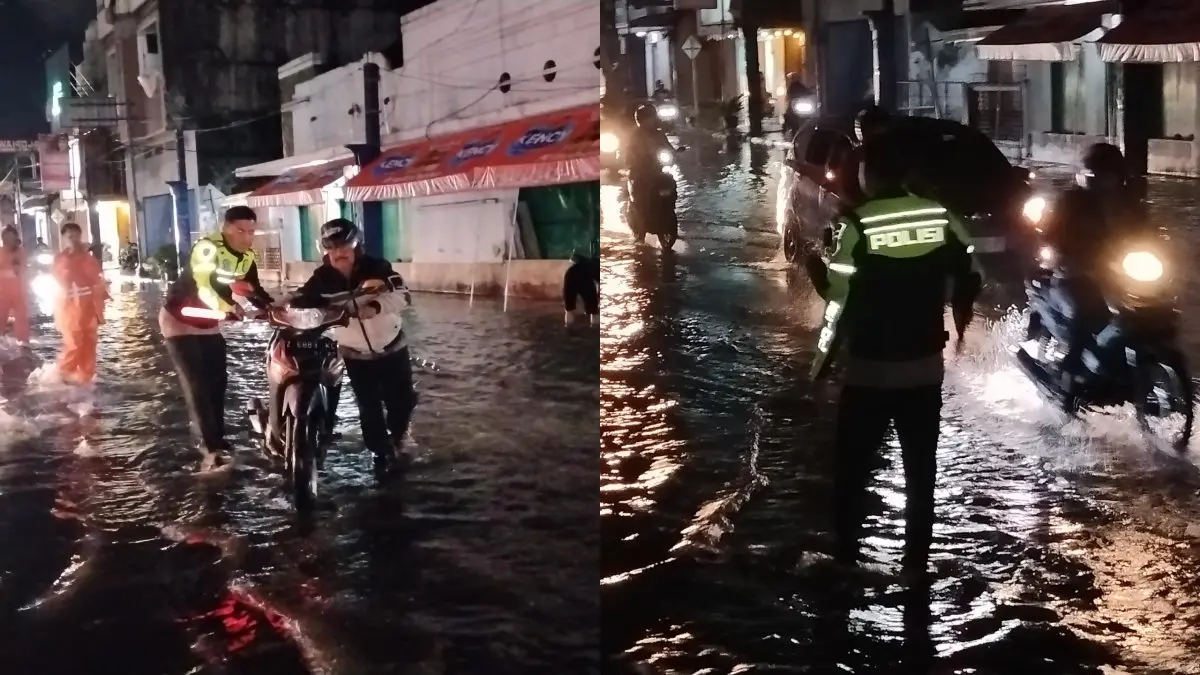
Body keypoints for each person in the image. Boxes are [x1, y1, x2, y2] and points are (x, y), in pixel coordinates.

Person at [803, 144, 982, 577]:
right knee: (921, 472)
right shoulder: (940, 216)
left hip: (870, 371)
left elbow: (838, 301)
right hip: (924, 369)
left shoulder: (855, 224)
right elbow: (971, 273)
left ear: (867, 177)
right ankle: (915, 563)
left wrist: (820, 364)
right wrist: (957, 318)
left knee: (852, 471)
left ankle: (846, 559)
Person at [290, 218, 416, 473]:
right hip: (354, 354)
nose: (339, 253)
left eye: (344, 246)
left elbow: (403, 296)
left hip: (392, 346)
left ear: (356, 244)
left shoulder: (378, 267)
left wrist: (375, 306)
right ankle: (381, 455)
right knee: (368, 408)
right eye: (332, 248)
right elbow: (301, 301)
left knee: (401, 402)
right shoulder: (320, 280)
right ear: (324, 250)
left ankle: (401, 435)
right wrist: (280, 307)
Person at [160, 205, 273, 466]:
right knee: (197, 383)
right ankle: (211, 449)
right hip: (179, 319)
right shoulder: (207, 248)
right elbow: (204, 288)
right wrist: (229, 307)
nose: (246, 237)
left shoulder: (246, 258)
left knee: (218, 382)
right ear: (226, 228)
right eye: (240, 231)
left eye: (251, 232)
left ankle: (217, 440)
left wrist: (273, 309)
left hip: (208, 322)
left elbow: (254, 290)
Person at [1044, 142, 1146, 408]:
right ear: (1087, 176)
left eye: (1111, 176)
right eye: (1100, 176)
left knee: (1147, 309)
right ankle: (1068, 384)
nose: (1106, 183)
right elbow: (1053, 236)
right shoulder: (1069, 202)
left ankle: (1127, 370)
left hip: (1115, 271)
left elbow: (1146, 233)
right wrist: (1071, 257)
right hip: (1075, 273)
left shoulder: (1129, 203)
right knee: (1085, 314)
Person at [52, 222, 109, 384]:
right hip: (69, 308)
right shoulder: (60, 259)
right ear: (63, 238)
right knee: (74, 342)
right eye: (69, 236)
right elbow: (58, 280)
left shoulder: (88, 258)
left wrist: (100, 302)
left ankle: (86, 377)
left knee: (89, 341)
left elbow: (97, 281)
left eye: (76, 235)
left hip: (89, 306)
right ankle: (64, 374)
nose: (73, 239)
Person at [0, 226, 30, 345]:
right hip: (2, 292)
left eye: (12, 237)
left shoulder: (20, 252)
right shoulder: (0, 252)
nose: (9, 240)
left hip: (18, 291)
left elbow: (22, 268)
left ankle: (23, 340)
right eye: (7, 237)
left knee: (21, 317)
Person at [563, 252, 599, 326]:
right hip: (584, 279)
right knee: (592, 305)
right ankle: (594, 325)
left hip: (570, 277)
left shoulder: (573, 268)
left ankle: (568, 325)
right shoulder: (595, 266)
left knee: (569, 306)